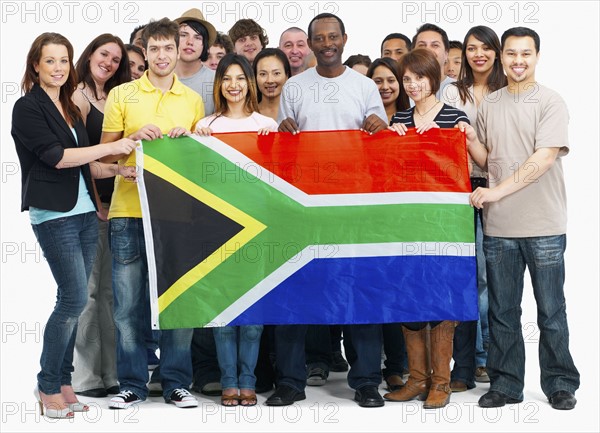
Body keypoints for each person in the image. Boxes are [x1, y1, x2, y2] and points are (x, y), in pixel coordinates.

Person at [12, 32, 137, 419]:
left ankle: (64, 382)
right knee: (73, 300)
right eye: (50, 61)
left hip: (85, 213)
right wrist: (112, 146)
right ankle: (48, 384)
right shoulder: (26, 107)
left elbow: (87, 164)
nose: (58, 68)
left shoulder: (69, 107)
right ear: (36, 65)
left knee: (75, 298)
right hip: (54, 215)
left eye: (63, 61)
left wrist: (120, 169)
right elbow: (56, 157)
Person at [269, 13, 388, 408]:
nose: (326, 43)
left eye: (332, 36)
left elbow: (384, 149)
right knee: (294, 288)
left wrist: (378, 126)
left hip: (354, 205)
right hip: (305, 205)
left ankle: (367, 380)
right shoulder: (295, 87)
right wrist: (284, 135)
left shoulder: (365, 86)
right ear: (311, 43)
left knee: (360, 291)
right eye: (318, 38)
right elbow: (284, 148)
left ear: (344, 39)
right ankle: (290, 380)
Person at [466, 26, 580, 411]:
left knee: (550, 311)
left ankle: (560, 383)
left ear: (536, 56)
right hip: (499, 227)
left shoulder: (550, 102)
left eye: (525, 54)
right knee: (501, 311)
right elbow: (487, 160)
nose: (517, 61)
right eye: (511, 54)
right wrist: (467, 136)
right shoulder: (490, 104)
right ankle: (506, 383)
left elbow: (542, 159)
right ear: (502, 57)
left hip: (544, 225)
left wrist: (495, 192)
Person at [100, 18, 204, 410]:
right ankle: (132, 383)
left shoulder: (192, 101)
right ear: (144, 53)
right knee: (128, 303)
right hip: (128, 210)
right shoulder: (123, 95)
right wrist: (132, 138)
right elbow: (103, 154)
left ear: (179, 51)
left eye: (168, 49)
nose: (162, 56)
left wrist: (190, 141)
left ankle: (176, 381)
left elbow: (202, 163)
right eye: (154, 49)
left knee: (178, 298)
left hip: (178, 215)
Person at [385, 48, 469, 409]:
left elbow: (470, 161)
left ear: (434, 78)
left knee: (442, 295)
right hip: (407, 222)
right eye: (407, 79)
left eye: (419, 77)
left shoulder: (454, 117)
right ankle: (416, 379)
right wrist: (392, 136)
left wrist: (454, 135)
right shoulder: (400, 117)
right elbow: (387, 169)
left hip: (444, 224)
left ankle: (441, 382)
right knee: (409, 293)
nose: (413, 84)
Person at [196, 53, 276, 406]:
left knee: (254, 314)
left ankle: (249, 381)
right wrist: (194, 138)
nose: (233, 85)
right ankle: (229, 382)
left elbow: (276, 182)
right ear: (219, 85)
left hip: (258, 228)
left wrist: (268, 143)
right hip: (219, 228)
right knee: (225, 311)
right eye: (226, 79)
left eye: (240, 78)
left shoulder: (265, 125)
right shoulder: (206, 125)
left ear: (250, 84)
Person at [442, 25, 507, 393]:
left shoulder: (508, 91)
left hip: (501, 186)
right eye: (470, 48)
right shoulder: (453, 91)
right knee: (468, 275)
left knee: (492, 277)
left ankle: (489, 359)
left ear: (496, 52)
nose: (477, 54)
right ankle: (467, 363)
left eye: (485, 47)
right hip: (461, 187)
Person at [70, 33, 131, 399]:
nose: (108, 62)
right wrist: (96, 203)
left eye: (114, 59)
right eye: (103, 54)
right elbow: (80, 159)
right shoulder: (78, 96)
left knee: (109, 294)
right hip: (91, 206)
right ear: (90, 53)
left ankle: (111, 373)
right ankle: (88, 375)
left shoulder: (116, 96)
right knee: (90, 293)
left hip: (117, 204)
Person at [174, 8, 217, 116]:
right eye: (183, 35)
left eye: (197, 37)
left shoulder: (217, 80)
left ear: (205, 45)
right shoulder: (158, 76)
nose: (190, 42)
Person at [412, 23, 455, 98]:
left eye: (435, 45)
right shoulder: (404, 89)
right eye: (422, 45)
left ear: (446, 54)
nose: (428, 50)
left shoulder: (461, 90)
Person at [367, 57, 409, 123]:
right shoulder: (362, 119)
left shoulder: (413, 118)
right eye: (378, 81)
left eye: (391, 80)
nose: (385, 87)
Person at [253, 48, 291, 121]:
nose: (270, 80)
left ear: (287, 75)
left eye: (276, 73)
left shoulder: (296, 112)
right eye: (263, 74)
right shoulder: (248, 114)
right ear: (255, 77)